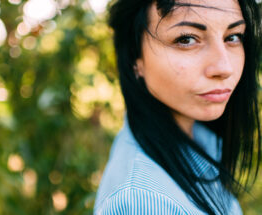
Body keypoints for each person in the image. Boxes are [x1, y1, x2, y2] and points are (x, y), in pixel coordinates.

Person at [94, 0, 262, 214]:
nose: (224, 67)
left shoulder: (197, 139)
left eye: (233, 37)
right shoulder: (145, 201)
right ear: (136, 59)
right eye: (186, 39)